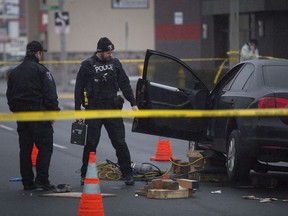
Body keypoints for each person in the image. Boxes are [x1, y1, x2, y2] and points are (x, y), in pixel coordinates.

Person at [74, 37, 138, 186]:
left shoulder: (115, 64)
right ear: (100, 51)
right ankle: (85, 174)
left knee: (120, 142)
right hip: (94, 109)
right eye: (108, 52)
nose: (110, 55)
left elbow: (125, 84)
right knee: (90, 144)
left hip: (112, 108)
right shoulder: (87, 65)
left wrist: (133, 103)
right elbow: (78, 89)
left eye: (111, 52)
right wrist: (77, 110)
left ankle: (127, 173)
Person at [6, 41, 60, 190]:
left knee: (25, 149)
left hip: (22, 117)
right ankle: (42, 180)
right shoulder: (41, 71)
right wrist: (53, 112)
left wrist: (16, 111)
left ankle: (28, 182)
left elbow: (9, 95)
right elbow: (50, 94)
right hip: (39, 115)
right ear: (38, 54)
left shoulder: (14, 72)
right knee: (45, 147)